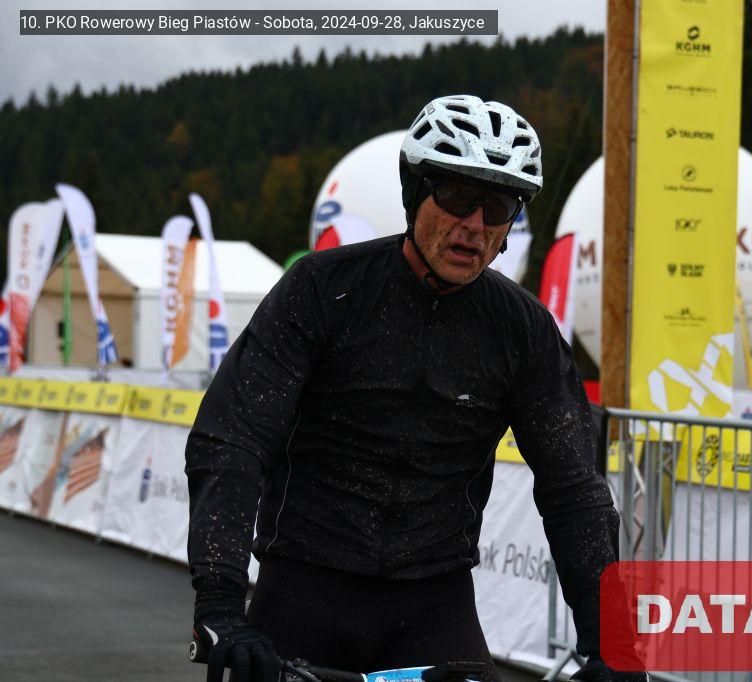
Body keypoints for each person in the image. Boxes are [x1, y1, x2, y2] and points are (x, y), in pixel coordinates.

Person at [185, 94, 646, 682]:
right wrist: (220, 604)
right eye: (455, 197)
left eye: (498, 207)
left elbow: (574, 491)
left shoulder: (524, 332)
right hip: (302, 587)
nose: (474, 225)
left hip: (432, 604)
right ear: (414, 192)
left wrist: (611, 643)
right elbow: (233, 441)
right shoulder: (321, 290)